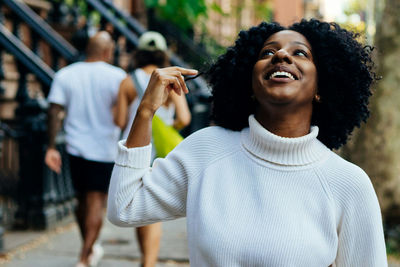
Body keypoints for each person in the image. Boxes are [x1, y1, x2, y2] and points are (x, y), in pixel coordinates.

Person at [107, 19, 387, 266]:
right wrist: (145, 112)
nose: (280, 55)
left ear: (321, 89)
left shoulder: (348, 184)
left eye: (300, 53)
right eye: (267, 52)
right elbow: (125, 206)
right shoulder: (206, 150)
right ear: (249, 82)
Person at [45, 31, 126, 267]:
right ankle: (85, 256)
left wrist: (51, 147)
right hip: (105, 149)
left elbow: (53, 110)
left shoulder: (66, 75)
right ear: (107, 51)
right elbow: (123, 113)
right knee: (94, 202)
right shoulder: (117, 76)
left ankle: (88, 250)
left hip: (75, 147)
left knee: (81, 201)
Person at [113, 31, 191, 267]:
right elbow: (185, 118)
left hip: (136, 148)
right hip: (161, 153)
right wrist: (167, 127)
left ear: (139, 53)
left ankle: (147, 262)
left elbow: (118, 121)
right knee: (150, 210)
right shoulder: (171, 79)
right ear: (163, 54)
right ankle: (148, 261)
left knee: (136, 206)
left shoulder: (127, 81)